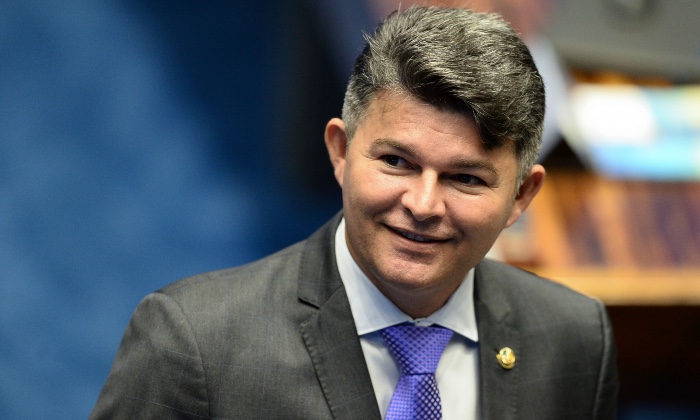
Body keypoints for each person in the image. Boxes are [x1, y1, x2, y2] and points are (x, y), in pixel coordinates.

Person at [91, 6, 618, 419]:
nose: (422, 204)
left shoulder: (574, 340)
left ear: (521, 197)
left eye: (466, 178)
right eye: (396, 162)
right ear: (340, 152)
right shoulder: (194, 346)